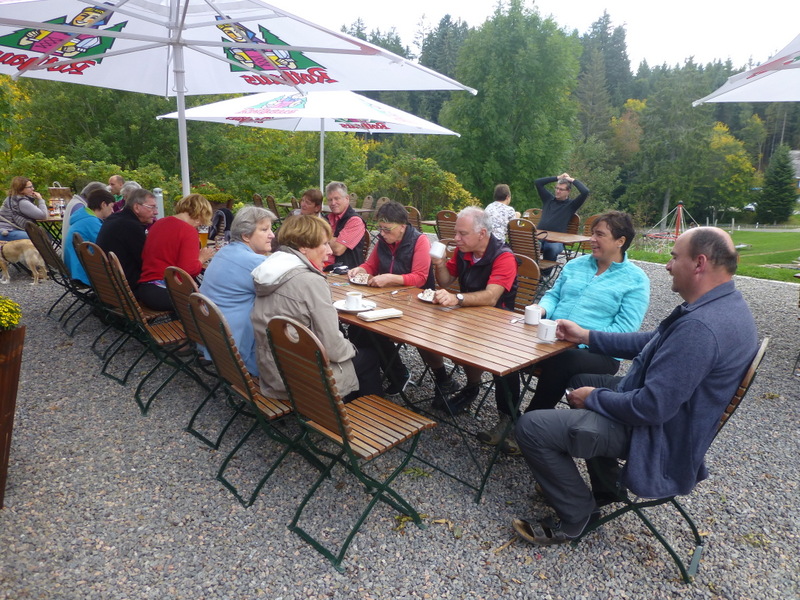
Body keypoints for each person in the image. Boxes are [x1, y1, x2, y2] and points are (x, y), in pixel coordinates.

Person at [512, 227, 758, 546]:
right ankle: (607, 487)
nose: (668, 265)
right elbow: (650, 341)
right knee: (579, 378)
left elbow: (651, 408)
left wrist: (596, 399)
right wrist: (586, 336)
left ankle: (578, 514)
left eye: (674, 257)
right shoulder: (722, 305)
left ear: (699, 263)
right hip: (669, 416)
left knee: (531, 427)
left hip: (656, 434)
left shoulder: (701, 328)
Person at [478, 212, 650, 455]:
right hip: (553, 338)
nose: (591, 239)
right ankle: (508, 417)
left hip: (597, 352)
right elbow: (554, 295)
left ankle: (529, 426)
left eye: (599, 235)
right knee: (505, 342)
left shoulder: (636, 280)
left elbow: (624, 330)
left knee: (562, 360)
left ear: (620, 241)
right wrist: (541, 309)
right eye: (592, 233)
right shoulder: (576, 265)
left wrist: (582, 336)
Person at [250, 215, 382, 401]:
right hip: (303, 380)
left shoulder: (269, 270)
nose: (330, 251)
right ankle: (358, 414)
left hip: (273, 370)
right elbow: (333, 347)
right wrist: (352, 349)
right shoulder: (311, 282)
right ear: (304, 247)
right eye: (324, 244)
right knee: (369, 356)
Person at [348, 200, 458, 397]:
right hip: (388, 299)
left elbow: (420, 277)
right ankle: (376, 373)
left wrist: (390, 278)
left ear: (402, 226)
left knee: (374, 329)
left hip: (417, 303)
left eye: (387, 229)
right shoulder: (383, 241)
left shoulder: (419, 240)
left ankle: (403, 374)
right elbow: (371, 265)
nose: (382, 233)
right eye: (380, 228)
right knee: (359, 327)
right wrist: (360, 269)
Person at [430, 206, 518, 414]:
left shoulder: (503, 256)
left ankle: (506, 414)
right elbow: (445, 281)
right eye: (456, 233)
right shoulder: (463, 252)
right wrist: (439, 263)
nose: (456, 239)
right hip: (468, 316)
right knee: (426, 330)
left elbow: (491, 297)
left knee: (478, 344)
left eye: (462, 233)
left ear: (482, 233)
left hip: (499, 323)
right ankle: (453, 383)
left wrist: (457, 298)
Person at [199, 206, 276, 376]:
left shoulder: (225, 251)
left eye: (270, 229)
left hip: (208, 332)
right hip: (235, 344)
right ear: (246, 236)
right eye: (264, 230)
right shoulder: (255, 262)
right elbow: (286, 295)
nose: (272, 235)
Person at [136, 193, 215, 311]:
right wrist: (202, 258)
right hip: (164, 292)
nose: (199, 225)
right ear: (200, 214)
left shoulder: (159, 223)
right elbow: (188, 270)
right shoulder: (188, 231)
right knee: (212, 296)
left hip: (145, 288)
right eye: (201, 222)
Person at [96, 188, 156, 289]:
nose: (156, 212)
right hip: (126, 286)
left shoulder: (115, 218)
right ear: (136, 207)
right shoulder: (130, 226)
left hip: (108, 284)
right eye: (151, 207)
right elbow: (146, 263)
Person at [63, 189, 115, 286]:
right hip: (83, 274)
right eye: (111, 207)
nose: (112, 211)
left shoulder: (83, 216)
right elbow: (107, 246)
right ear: (104, 204)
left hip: (75, 268)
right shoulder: (91, 222)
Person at [534, 172, 589, 262]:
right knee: (525, 244)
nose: (558, 191)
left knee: (551, 248)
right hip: (539, 237)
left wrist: (571, 180)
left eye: (561, 189)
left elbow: (585, 192)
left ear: (568, 191)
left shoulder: (571, 205)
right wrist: (558, 177)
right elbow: (538, 182)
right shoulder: (548, 199)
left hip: (556, 241)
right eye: (557, 188)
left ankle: (546, 271)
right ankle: (530, 269)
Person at [324, 181, 365, 270]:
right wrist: (333, 239)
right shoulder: (326, 218)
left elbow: (338, 249)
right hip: (323, 267)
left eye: (336, 198)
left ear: (347, 198)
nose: (333, 203)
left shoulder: (355, 221)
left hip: (345, 272)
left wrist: (323, 236)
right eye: (330, 200)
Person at [62, 181, 107, 254]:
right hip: (76, 255)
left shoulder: (75, 202)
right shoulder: (81, 207)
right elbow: (100, 240)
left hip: (71, 253)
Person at [0, 177, 48, 241]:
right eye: (30, 187)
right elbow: (43, 215)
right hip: (7, 231)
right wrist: (40, 199)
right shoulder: (22, 202)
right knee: (40, 238)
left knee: (45, 236)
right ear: (21, 189)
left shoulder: (12, 198)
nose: (33, 189)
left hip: (11, 229)